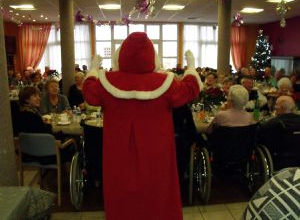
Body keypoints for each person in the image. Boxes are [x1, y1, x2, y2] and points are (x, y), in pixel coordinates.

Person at [83, 32, 202, 220]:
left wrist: (92, 71)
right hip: (157, 155)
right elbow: (190, 89)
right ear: (152, 55)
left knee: (121, 197)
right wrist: (191, 68)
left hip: (118, 155)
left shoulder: (106, 82)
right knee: (157, 196)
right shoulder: (166, 83)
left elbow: (89, 93)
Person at [18, 86, 71, 164]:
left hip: (28, 154)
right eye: (35, 96)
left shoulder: (21, 114)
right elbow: (46, 135)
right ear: (26, 99)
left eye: (39, 96)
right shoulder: (33, 116)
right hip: (45, 155)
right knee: (72, 141)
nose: (39, 98)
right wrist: (48, 125)